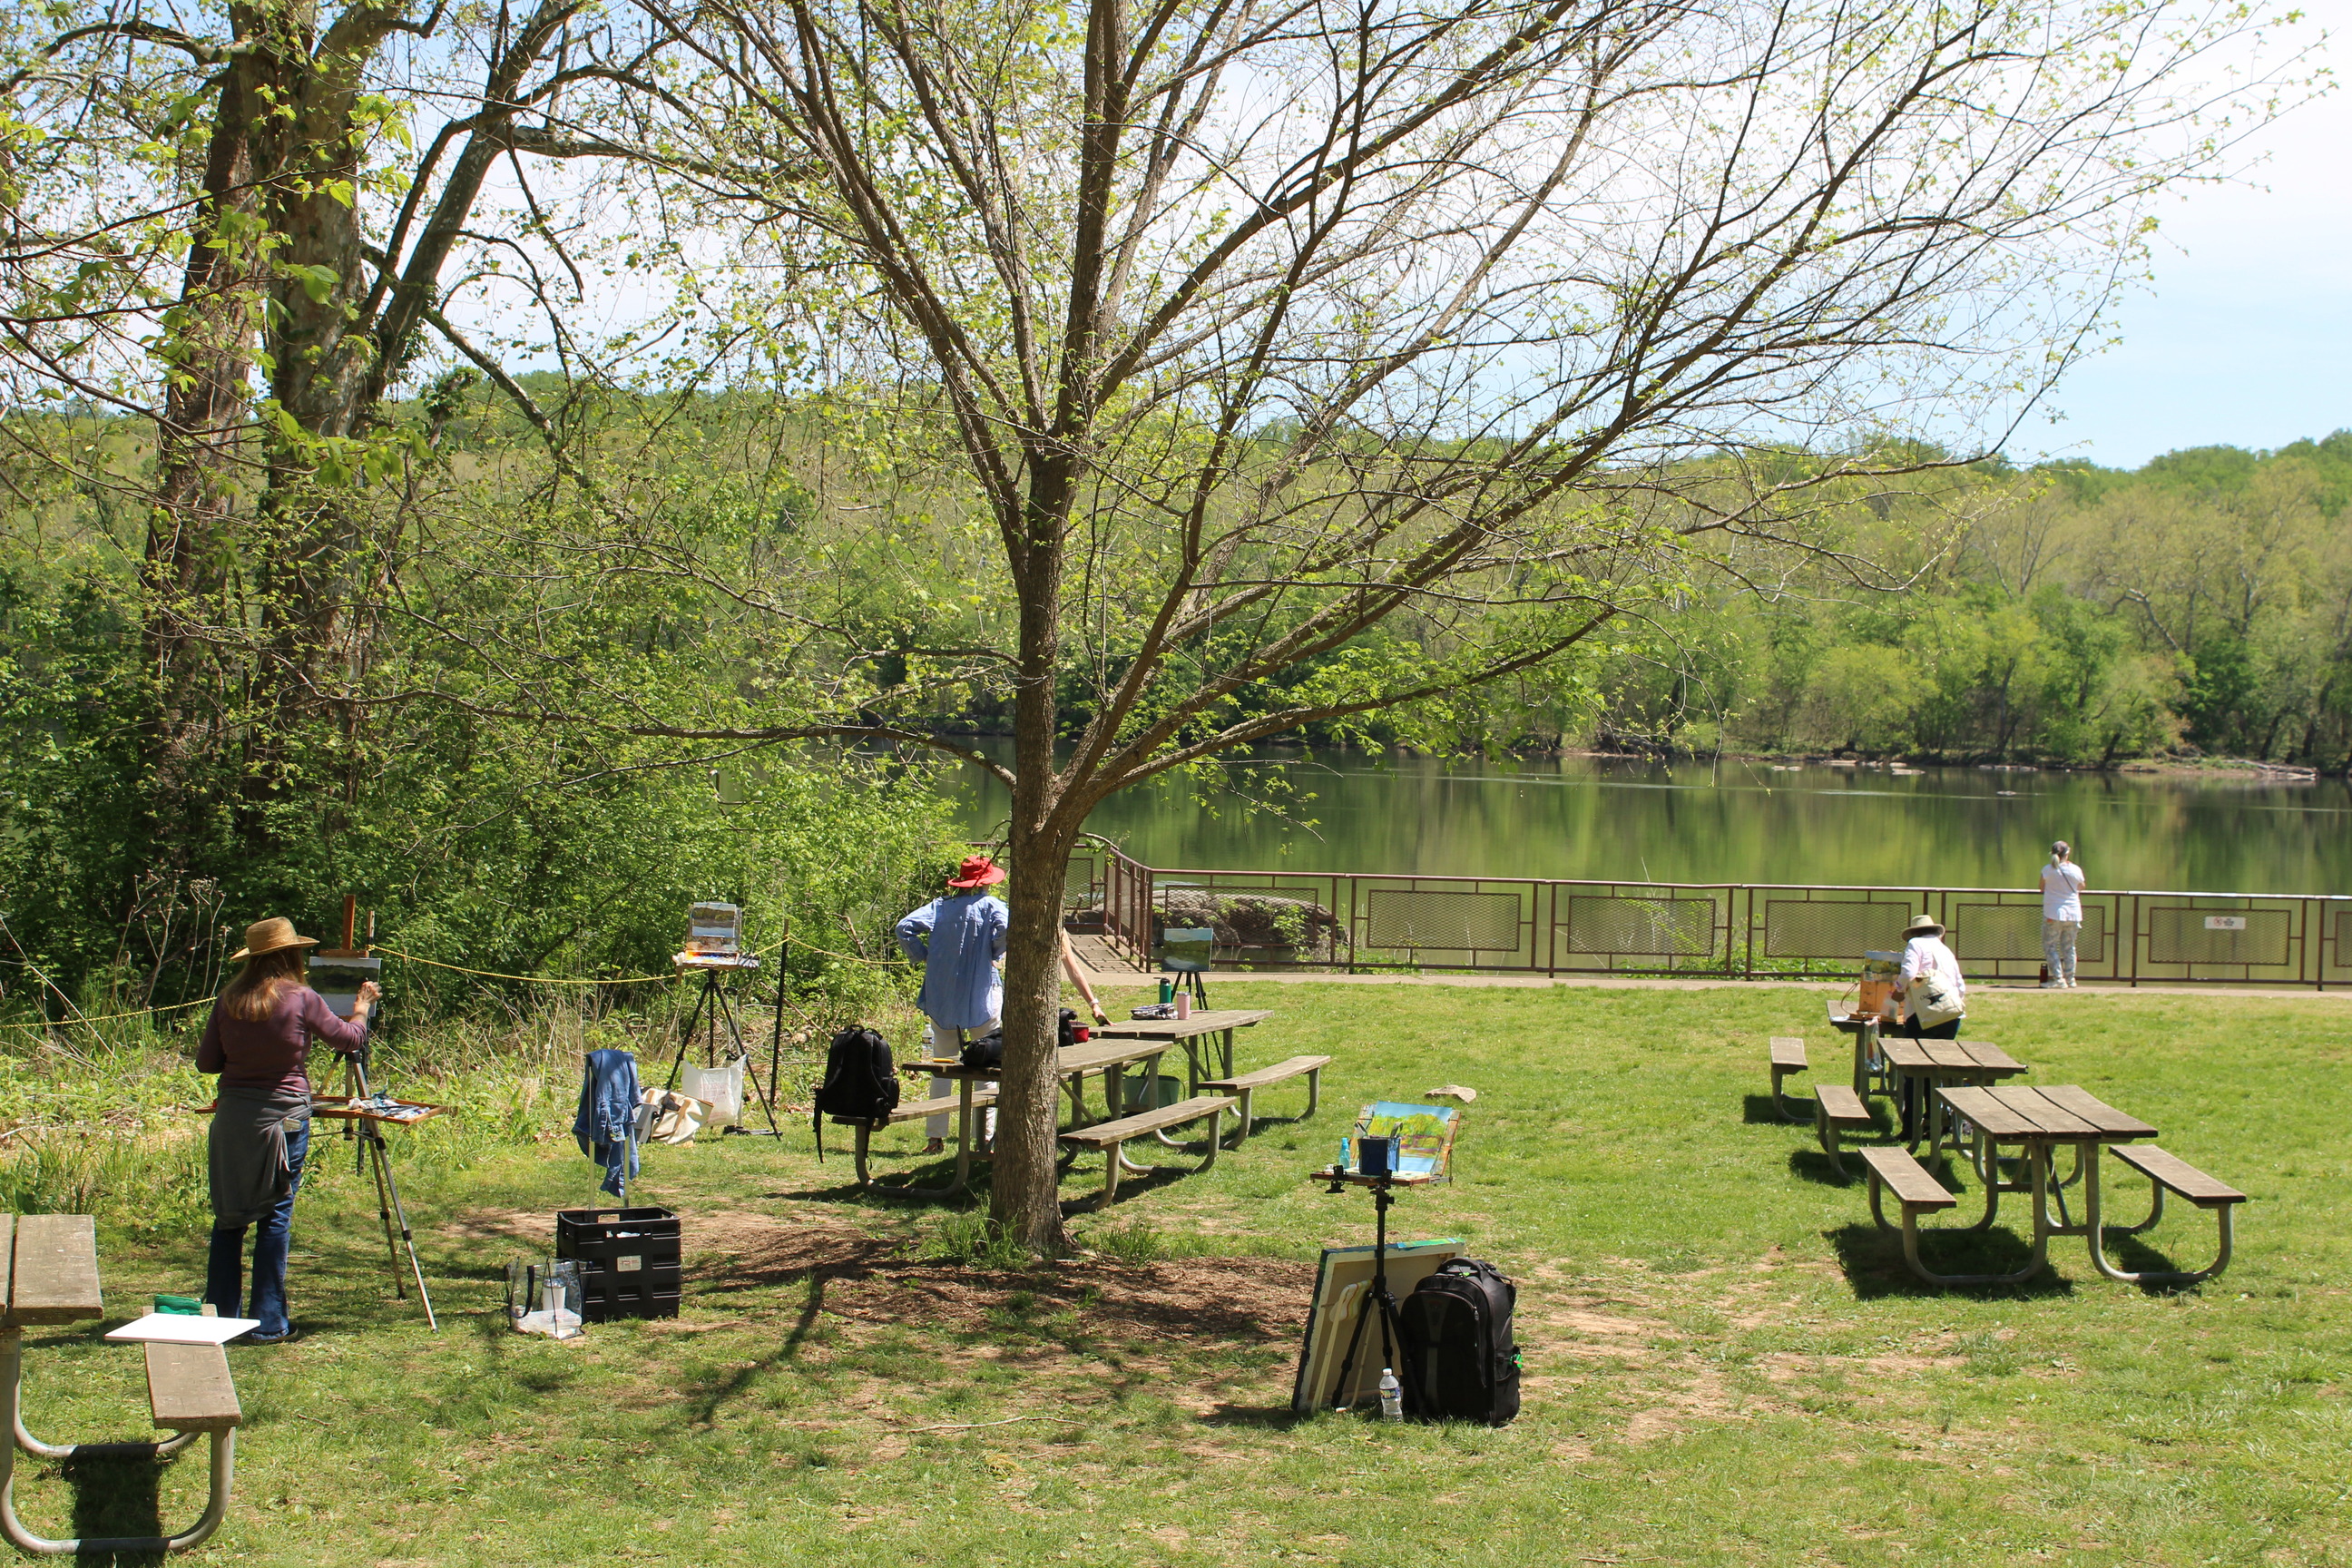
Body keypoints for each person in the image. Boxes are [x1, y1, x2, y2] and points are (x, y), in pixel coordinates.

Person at [197, 916, 377, 1343]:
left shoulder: (229, 999)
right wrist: (362, 1007)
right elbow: (350, 1039)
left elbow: (207, 1063)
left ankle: (221, 1317)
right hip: (283, 1118)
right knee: (275, 1214)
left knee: (228, 1219)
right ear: (290, 955)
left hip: (233, 1120)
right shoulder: (300, 997)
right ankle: (269, 1323)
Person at [896, 856, 1012, 1154]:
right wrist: (993, 950)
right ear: (987, 882)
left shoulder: (941, 907)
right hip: (982, 998)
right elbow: (1010, 930)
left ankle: (935, 1139)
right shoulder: (992, 906)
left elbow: (903, 927)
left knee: (941, 1066)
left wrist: (922, 954)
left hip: (942, 998)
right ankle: (984, 1139)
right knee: (986, 1070)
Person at [1888, 912, 1966, 1140]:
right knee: (1937, 1070)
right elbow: (1959, 984)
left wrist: (1899, 990)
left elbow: (1909, 972)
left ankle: (1911, 1128)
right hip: (1951, 1016)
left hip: (1924, 1016)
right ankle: (1938, 1124)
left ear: (1914, 933)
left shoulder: (1915, 944)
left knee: (1913, 1073)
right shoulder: (1944, 949)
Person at [2039, 840, 2088, 988]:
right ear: (2068, 852)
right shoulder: (2075, 870)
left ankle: (2058, 979)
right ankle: (2071, 979)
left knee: (2050, 946)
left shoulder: (2047, 870)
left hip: (2053, 913)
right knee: (2069, 946)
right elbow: (2082, 886)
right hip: (2073, 913)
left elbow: (2041, 888)